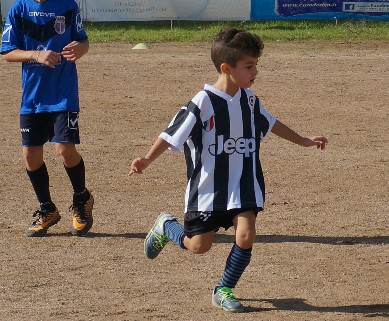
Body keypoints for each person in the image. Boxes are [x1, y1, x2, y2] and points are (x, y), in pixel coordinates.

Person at [129, 28, 328, 312]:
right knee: (199, 246)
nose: (255, 71)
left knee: (246, 235)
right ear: (226, 68)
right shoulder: (202, 102)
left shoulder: (249, 99)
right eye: (249, 66)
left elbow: (271, 123)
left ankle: (224, 289)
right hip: (207, 189)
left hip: (243, 183)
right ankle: (165, 226)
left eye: (256, 64)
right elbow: (171, 133)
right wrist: (146, 159)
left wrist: (305, 141)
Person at [1, 0, 94, 237]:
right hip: (32, 98)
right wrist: (36, 55)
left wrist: (82, 48)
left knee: (64, 149)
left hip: (63, 95)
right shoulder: (18, 9)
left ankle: (82, 198)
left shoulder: (67, 5)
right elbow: (8, 52)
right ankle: (47, 209)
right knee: (30, 156)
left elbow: (82, 40)